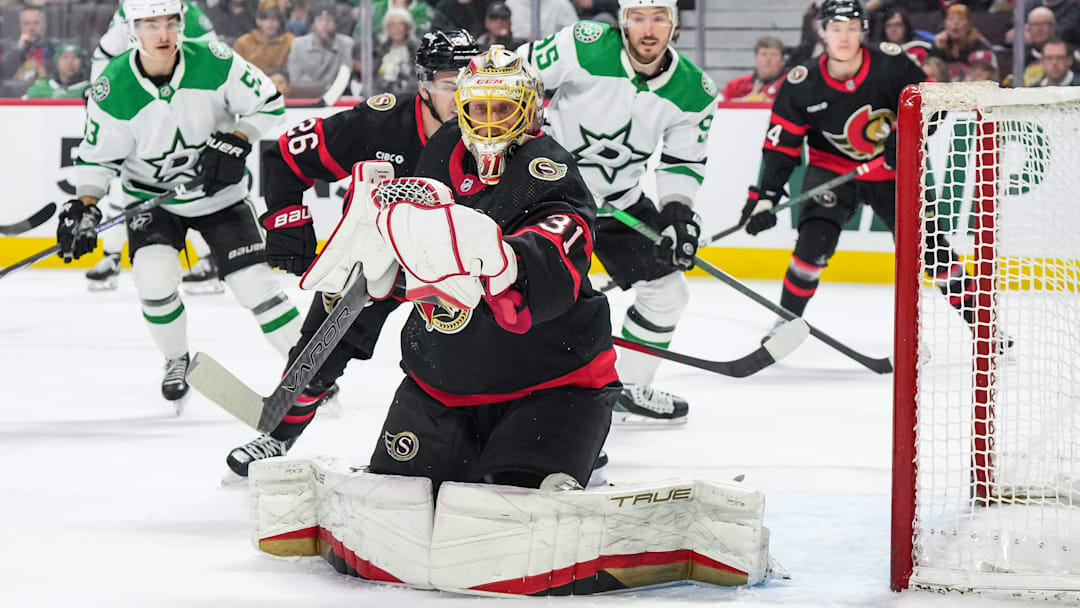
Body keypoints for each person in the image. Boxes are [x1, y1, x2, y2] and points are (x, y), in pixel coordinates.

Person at [302, 44, 618, 492]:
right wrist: (387, 260)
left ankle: (575, 455)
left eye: (503, 108)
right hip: (442, 383)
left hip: (550, 381)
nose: (488, 121)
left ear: (530, 113)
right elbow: (421, 253)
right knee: (395, 500)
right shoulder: (443, 148)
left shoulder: (550, 170)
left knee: (512, 505)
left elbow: (562, 245)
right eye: (478, 108)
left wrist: (508, 262)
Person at [224, 30, 481, 477]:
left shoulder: (496, 129)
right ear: (423, 84)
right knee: (320, 351)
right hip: (374, 261)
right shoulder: (378, 122)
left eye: (473, 81)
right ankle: (277, 433)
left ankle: (534, 438)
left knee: (486, 357)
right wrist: (287, 224)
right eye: (450, 84)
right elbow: (284, 158)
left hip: (452, 270)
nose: (465, 98)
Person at [61, 0, 302, 408]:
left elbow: (269, 103)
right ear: (132, 30)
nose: (163, 34)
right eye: (150, 24)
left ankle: (307, 370)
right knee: (154, 279)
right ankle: (176, 358)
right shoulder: (112, 86)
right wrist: (86, 205)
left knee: (254, 285)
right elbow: (97, 159)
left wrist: (239, 137)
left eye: (171, 23)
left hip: (219, 196)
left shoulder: (214, 60)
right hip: (151, 201)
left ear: (182, 23)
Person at [739, 0, 989, 350]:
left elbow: (932, 102)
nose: (844, 37)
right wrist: (764, 197)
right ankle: (785, 320)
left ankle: (983, 327)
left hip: (892, 171)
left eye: (852, 28)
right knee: (813, 246)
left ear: (863, 30)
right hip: (832, 171)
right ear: (821, 32)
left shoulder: (890, 63)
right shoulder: (801, 83)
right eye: (836, 29)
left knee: (931, 249)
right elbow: (782, 149)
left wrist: (905, 134)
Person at [520, 0, 718, 425]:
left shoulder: (694, 90)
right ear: (623, 22)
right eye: (639, 18)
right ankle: (516, 388)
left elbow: (682, 161)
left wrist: (678, 211)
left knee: (667, 294)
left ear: (675, 23)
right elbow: (515, 75)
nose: (649, 30)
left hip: (619, 201)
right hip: (548, 196)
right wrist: (532, 130)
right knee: (532, 292)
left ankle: (625, 389)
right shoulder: (584, 45)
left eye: (659, 18)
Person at [88, 0, 221, 294]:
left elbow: (212, 69)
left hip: (183, 117)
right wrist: (100, 104)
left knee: (186, 192)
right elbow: (105, 56)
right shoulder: (129, 11)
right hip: (137, 113)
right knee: (123, 187)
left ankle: (211, 260)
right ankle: (111, 256)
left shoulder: (192, 17)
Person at [287, 2, 352, 99]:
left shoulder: (346, 43)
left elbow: (344, 77)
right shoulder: (298, 44)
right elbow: (295, 80)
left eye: (329, 20)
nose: (324, 24)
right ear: (313, 23)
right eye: (320, 20)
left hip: (338, 98)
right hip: (305, 99)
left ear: (335, 23)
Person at [233, 0, 296, 74]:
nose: (270, 22)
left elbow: (294, 70)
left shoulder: (290, 41)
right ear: (258, 21)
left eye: (275, 17)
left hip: (279, 83)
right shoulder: (244, 42)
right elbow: (235, 71)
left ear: (280, 21)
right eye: (265, 17)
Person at [719, 36, 787, 103]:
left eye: (773, 54)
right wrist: (745, 100)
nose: (768, 59)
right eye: (763, 54)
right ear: (756, 58)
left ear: (782, 61)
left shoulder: (789, 85)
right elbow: (717, 103)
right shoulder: (737, 85)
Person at [1, 5, 58, 83]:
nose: (31, 28)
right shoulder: (7, 48)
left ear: (45, 25)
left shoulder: (54, 49)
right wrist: (19, 50)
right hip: (15, 93)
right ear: (20, 26)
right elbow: (4, 75)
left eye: (36, 23)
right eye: (26, 23)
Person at [933, 4, 991, 80]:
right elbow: (931, 72)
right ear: (945, 24)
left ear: (969, 25)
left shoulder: (979, 45)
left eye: (961, 19)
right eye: (951, 19)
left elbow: (983, 76)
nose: (955, 23)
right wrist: (938, 48)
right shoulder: (941, 44)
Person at [374, 7, 420, 96]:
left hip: (409, 96)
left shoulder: (416, 49)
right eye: (392, 24)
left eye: (401, 24)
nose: (397, 28)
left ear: (407, 27)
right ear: (387, 27)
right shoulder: (379, 49)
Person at [23, 44, 89, 99]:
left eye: (74, 57)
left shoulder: (89, 90)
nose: (70, 61)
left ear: (81, 62)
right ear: (56, 62)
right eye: (65, 57)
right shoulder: (41, 87)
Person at [506, 0, 579, 40]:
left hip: (552, 55)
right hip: (516, 53)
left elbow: (574, 35)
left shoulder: (562, 4)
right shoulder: (510, 3)